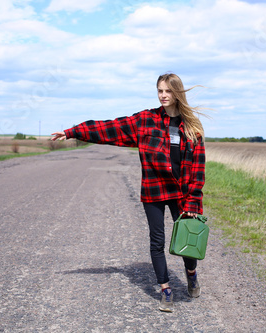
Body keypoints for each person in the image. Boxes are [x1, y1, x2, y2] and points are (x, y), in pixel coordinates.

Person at [51, 73, 206, 312]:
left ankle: (191, 273)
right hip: (154, 190)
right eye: (159, 91)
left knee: (186, 239)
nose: (163, 95)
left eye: (168, 91)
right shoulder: (146, 120)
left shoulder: (192, 127)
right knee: (157, 241)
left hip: (181, 193)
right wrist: (73, 132)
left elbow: (197, 168)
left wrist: (193, 201)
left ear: (177, 93)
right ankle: (165, 289)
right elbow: (108, 128)